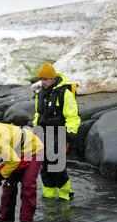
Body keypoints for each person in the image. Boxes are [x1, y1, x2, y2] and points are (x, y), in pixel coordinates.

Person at [32, 63, 81, 201]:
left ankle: (66, 195)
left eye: (46, 79)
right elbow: (38, 114)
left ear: (53, 78)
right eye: (41, 79)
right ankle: (49, 196)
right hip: (43, 133)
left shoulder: (64, 93)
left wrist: (68, 137)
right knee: (45, 167)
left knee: (57, 167)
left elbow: (73, 117)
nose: (43, 82)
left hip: (59, 132)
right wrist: (35, 131)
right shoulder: (40, 93)